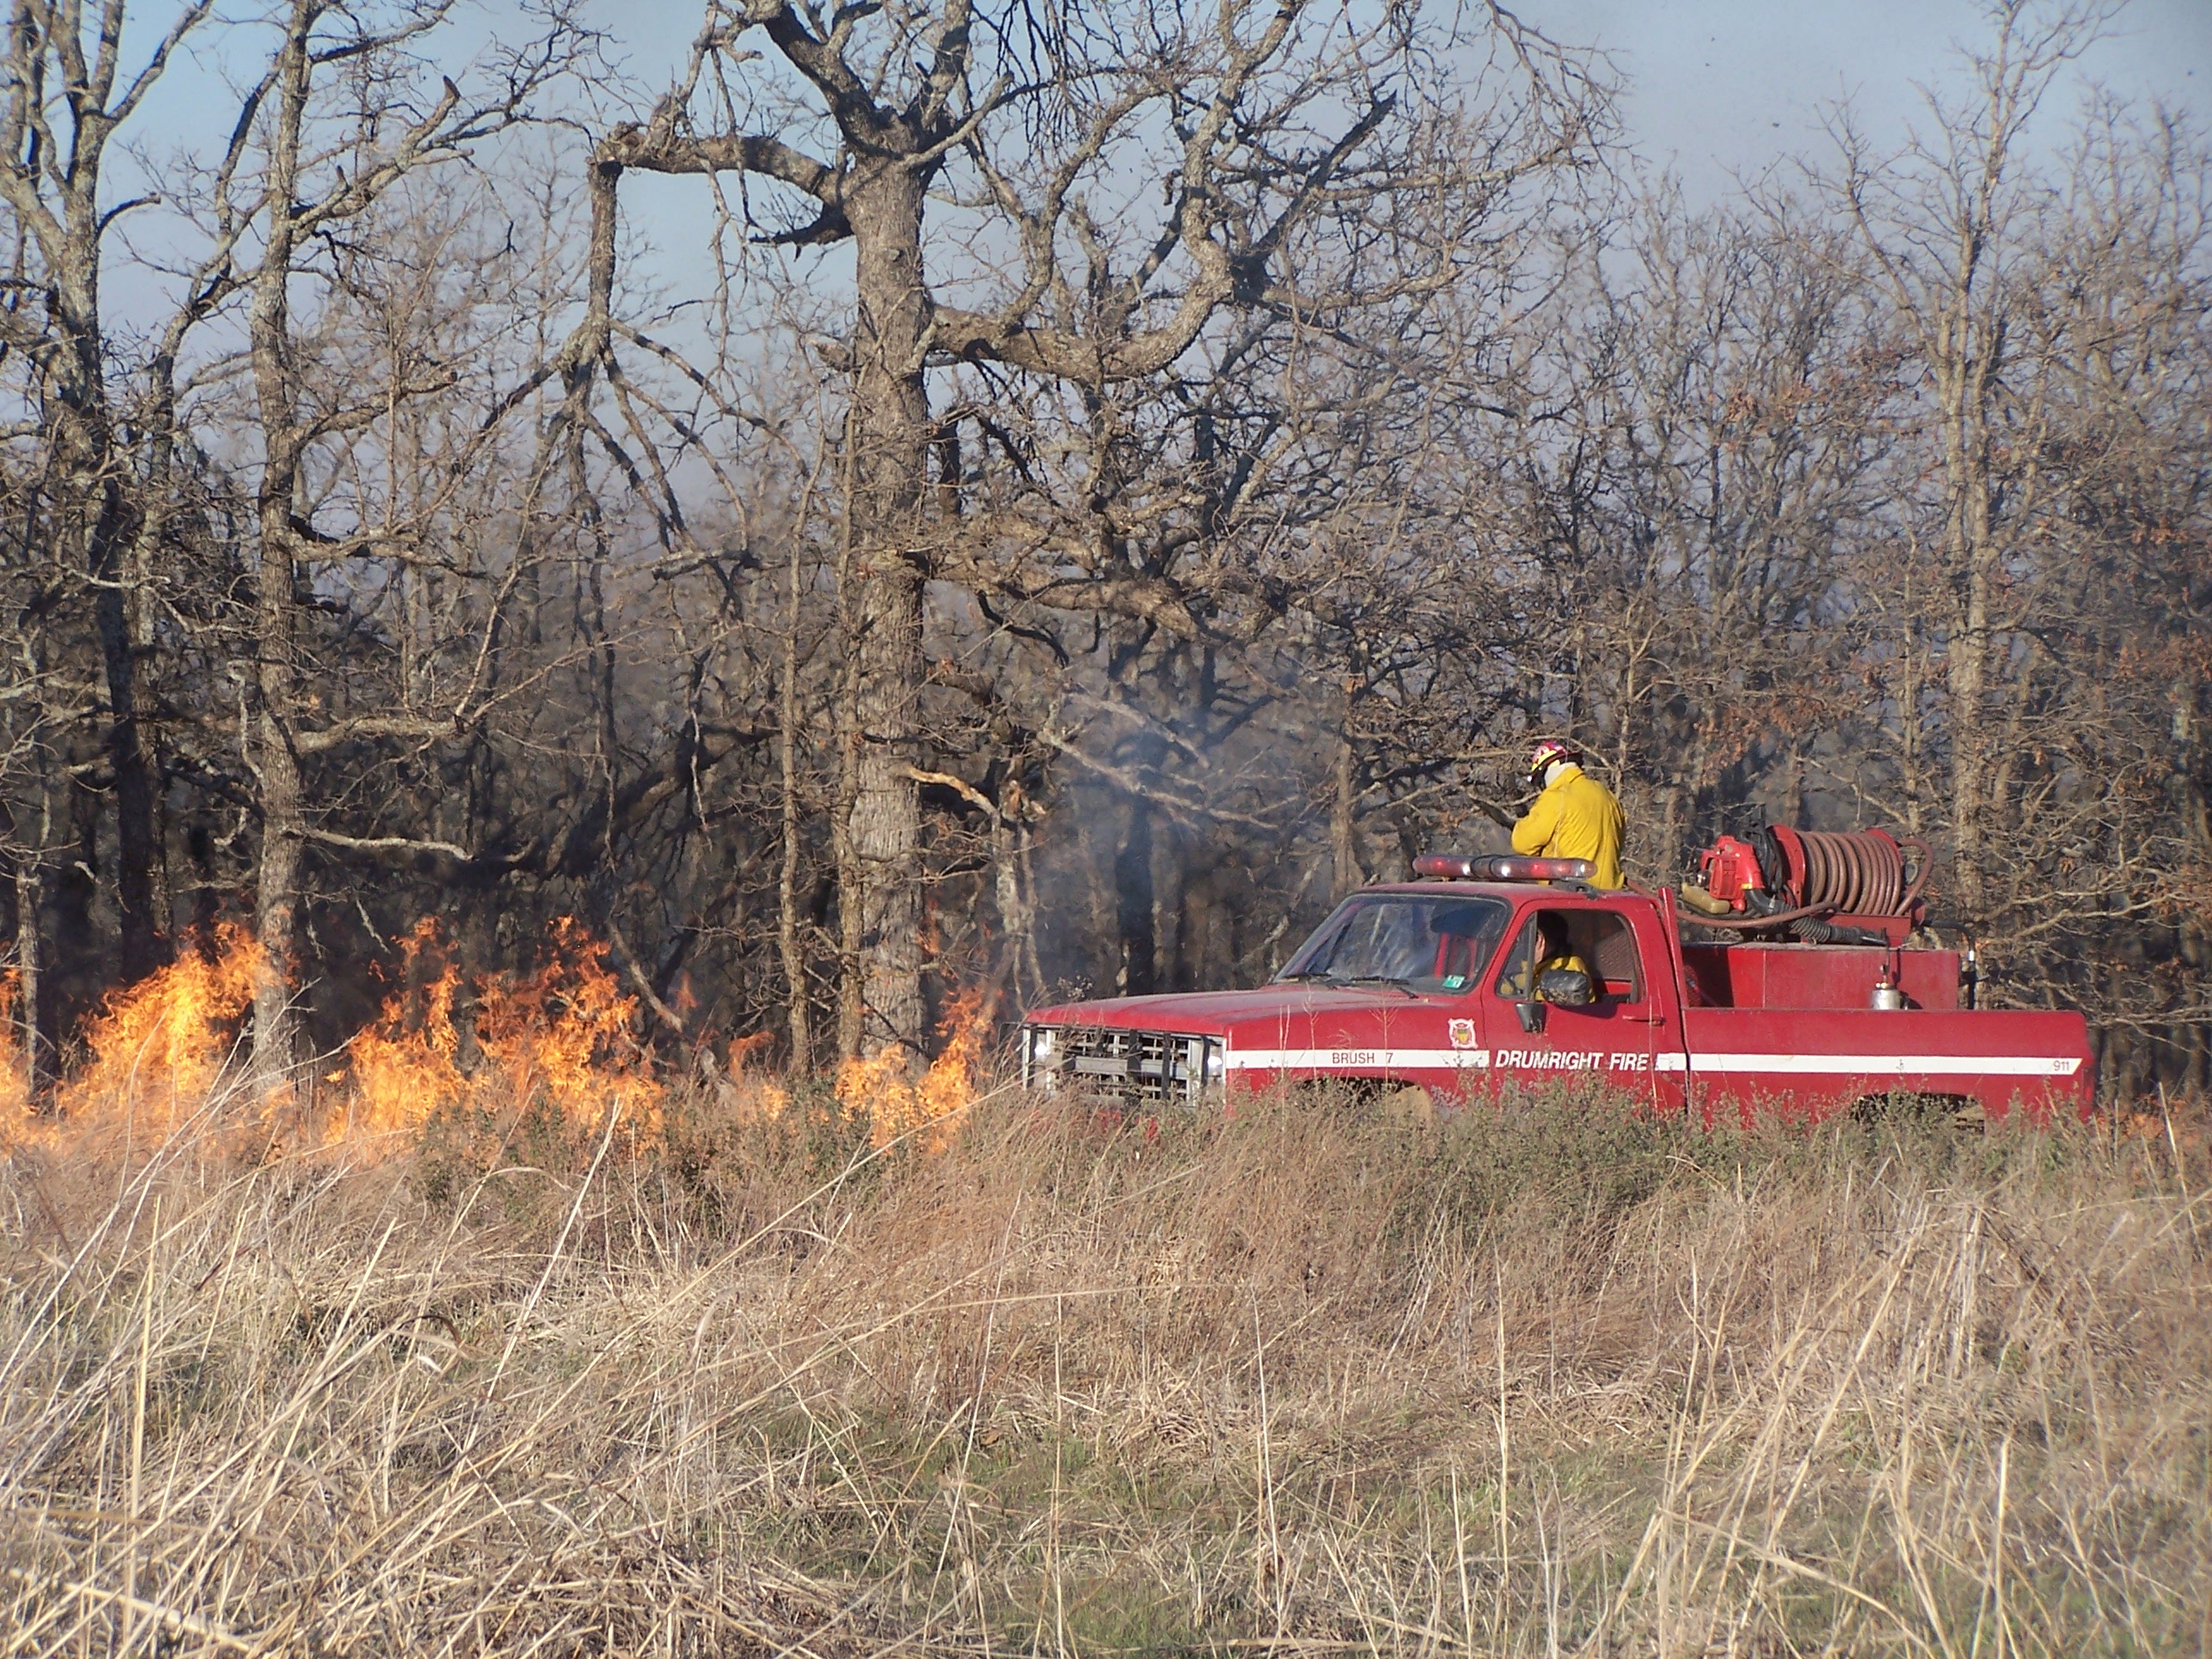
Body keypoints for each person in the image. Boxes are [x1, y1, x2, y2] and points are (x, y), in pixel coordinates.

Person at [1510, 738, 1626, 890]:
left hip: (1568, 896)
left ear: (1547, 772)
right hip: (1611, 899)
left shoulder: (1557, 796)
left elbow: (1522, 842)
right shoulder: (1607, 796)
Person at [1498, 915, 1594, 1002]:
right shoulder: (1523, 963)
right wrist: (1532, 965)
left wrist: (1533, 965)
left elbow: (1544, 1001)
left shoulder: (1569, 965)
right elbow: (1505, 990)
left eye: (1528, 936)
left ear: (1540, 939)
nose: (1522, 942)